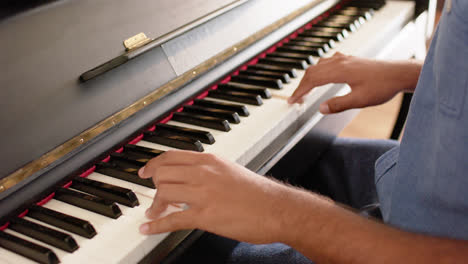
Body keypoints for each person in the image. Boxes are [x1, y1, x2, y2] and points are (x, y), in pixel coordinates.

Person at [137, 0, 468, 262]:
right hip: (417, 181)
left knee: (183, 243)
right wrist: (416, 74)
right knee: (303, 160)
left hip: (424, 244)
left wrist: (285, 211)